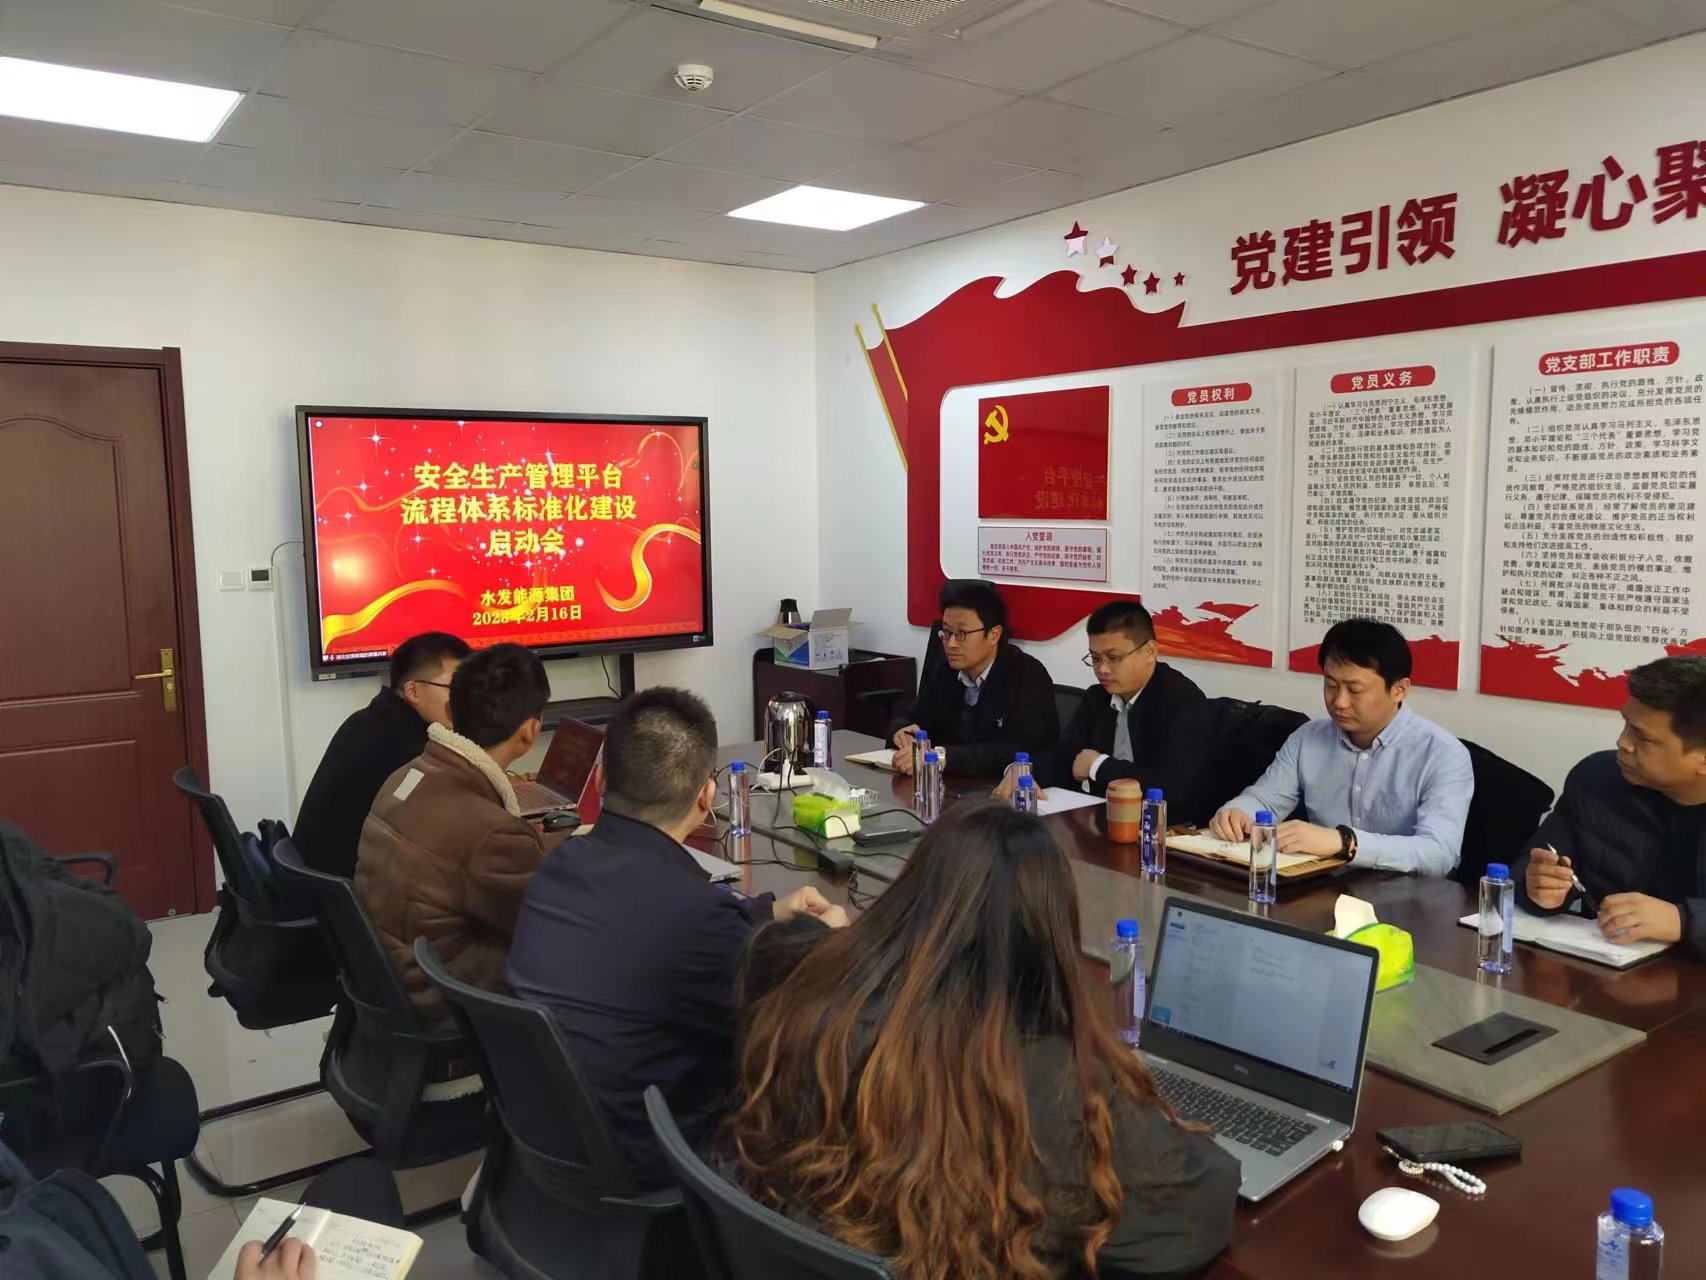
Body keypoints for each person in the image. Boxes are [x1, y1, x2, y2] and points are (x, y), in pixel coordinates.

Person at [728, 801, 1238, 1280]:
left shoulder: (809, 1002)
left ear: (914, 898)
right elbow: (1201, 1207)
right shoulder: (1052, 1091)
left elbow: (780, 945)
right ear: (1049, 934)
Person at [506, 687, 848, 1187]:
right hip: (649, 1155)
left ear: (600, 781)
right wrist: (829, 947)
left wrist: (766, 912)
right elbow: (784, 1024)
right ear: (706, 797)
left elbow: (659, 927)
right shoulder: (700, 919)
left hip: (545, 1137)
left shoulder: (560, 864)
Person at [356, 643, 549, 1089]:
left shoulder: (408, 775)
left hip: (392, 994)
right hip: (446, 1014)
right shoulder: (493, 833)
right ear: (530, 731)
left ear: (452, 709)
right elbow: (549, 929)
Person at [1209, 618, 1471, 876]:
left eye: (1355, 690)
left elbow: (1439, 854)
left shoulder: (1442, 755)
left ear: (1399, 690)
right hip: (1321, 890)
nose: (1339, 702)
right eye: (1331, 685)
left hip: (1405, 896)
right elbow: (1265, 799)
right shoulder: (1307, 738)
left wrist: (1345, 843)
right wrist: (1237, 812)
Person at [1516, 655, 1706, 954]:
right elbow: (1531, 864)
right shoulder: (1597, 781)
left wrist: (1684, 921)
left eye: (1643, 737)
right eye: (1626, 725)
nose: (1622, 743)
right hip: (1604, 968)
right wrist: (1538, 888)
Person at [999, 600, 1219, 820]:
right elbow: (1066, 756)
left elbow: (1177, 788)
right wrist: (1023, 770)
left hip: (1162, 828)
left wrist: (1098, 766)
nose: (1102, 669)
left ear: (1150, 651)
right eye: (1095, 658)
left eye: (1113, 658)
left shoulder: (1182, 701)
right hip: (1103, 819)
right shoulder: (1097, 697)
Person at [294, 632, 470, 878]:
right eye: (455, 688)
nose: (466, 699)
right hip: (350, 888)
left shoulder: (367, 720)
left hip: (314, 880)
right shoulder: (410, 747)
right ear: (413, 691)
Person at [889, 580, 1059, 777]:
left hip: (1007, 789)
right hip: (953, 785)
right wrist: (902, 730)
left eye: (962, 633)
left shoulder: (1028, 675)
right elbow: (916, 714)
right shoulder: (947, 670)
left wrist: (944, 757)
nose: (951, 644)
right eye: (946, 632)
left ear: (994, 634)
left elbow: (1016, 750)